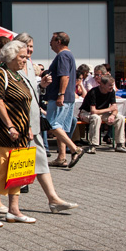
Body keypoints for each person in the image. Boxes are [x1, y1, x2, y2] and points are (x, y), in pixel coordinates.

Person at [10, 32, 79, 214]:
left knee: (40, 161)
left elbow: (31, 93)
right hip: (21, 123)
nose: (30, 50)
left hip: (33, 122)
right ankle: (0, 203)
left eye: (31, 46)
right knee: (13, 165)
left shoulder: (30, 66)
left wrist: (42, 86)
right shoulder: (12, 66)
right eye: (27, 46)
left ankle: (53, 199)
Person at [0, 40, 37, 227]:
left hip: (20, 130)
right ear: (11, 57)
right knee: (3, 169)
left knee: (18, 169)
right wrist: (11, 126)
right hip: (5, 130)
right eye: (22, 56)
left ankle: (14, 209)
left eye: (26, 56)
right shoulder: (0, 74)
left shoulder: (19, 76)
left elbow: (23, 104)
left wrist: (26, 127)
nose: (25, 59)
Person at [45, 32, 86, 169]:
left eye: (52, 40)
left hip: (61, 96)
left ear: (59, 41)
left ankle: (75, 149)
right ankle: (61, 157)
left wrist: (60, 94)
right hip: (68, 96)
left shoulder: (62, 55)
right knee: (60, 127)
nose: (50, 43)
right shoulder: (68, 55)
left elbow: (64, 76)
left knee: (52, 124)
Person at [79, 74, 126, 153]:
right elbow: (93, 111)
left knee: (120, 118)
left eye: (113, 85)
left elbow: (114, 108)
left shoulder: (111, 92)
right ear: (102, 85)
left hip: (102, 112)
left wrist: (112, 115)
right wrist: (109, 109)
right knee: (96, 118)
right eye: (110, 85)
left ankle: (120, 144)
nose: (112, 87)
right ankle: (92, 146)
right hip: (86, 113)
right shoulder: (93, 92)